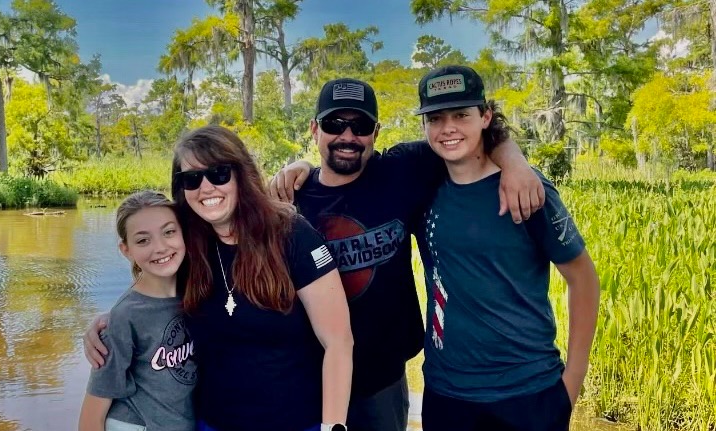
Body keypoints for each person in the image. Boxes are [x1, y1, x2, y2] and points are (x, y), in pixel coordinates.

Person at [269, 77, 545, 431]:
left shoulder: (401, 171)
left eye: (361, 126)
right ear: (314, 129)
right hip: (309, 376)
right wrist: (300, 167)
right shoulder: (290, 199)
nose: (347, 136)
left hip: (383, 381)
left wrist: (516, 163)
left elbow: (473, 137)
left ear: (376, 132)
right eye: (334, 124)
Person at [86, 126, 353, 431]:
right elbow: (151, 295)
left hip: (297, 422)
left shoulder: (291, 234)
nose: (206, 188)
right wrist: (110, 323)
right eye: (192, 179)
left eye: (219, 173)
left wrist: (333, 427)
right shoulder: (187, 245)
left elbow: (338, 342)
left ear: (241, 175)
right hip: (212, 423)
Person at [413, 65, 600, 431]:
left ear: (485, 116)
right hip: (446, 395)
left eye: (461, 115)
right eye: (435, 118)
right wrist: (302, 170)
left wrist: (571, 385)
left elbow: (583, 279)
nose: (448, 128)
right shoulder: (422, 186)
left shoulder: (527, 190)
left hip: (529, 394)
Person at [78, 190, 196, 431]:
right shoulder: (124, 318)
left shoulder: (197, 291)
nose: (160, 247)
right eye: (143, 240)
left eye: (169, 232)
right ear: (126, 250)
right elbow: (91, 418)